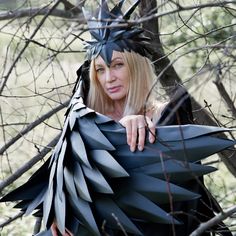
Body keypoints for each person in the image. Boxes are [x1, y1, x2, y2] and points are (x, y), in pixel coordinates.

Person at [1, 1, 234, 236]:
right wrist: (60, 211)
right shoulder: (84, 121)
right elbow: (64, 176)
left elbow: (186, 200)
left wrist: (141, 127)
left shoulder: (166, 116)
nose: (108, 78)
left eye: (117, 65)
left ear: (136, 67)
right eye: (100, 70)